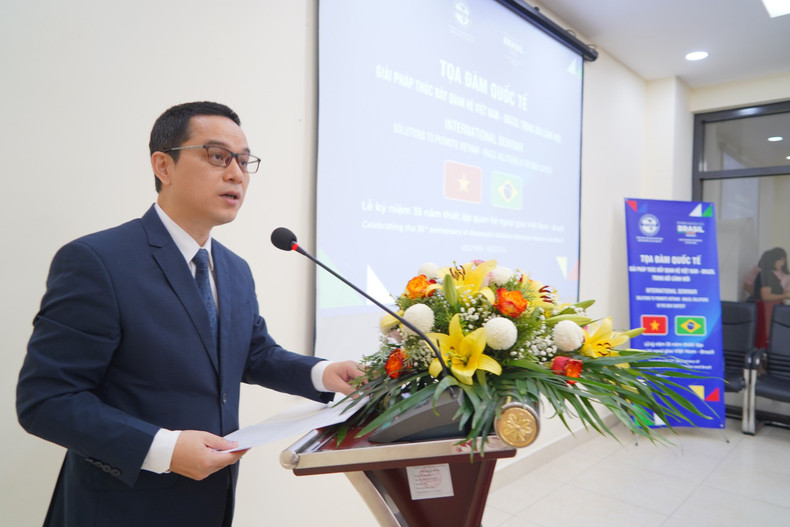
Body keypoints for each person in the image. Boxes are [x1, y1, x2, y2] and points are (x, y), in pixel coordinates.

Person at [16, 101, 363, 526]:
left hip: (211, 505)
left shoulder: (234, 269)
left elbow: (253, 354)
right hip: (120, 509)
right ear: (163, 165)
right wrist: (163, 448)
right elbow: (46, 401)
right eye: (217, 156)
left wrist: (323, 373)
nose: (236, 173)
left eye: (244, 160)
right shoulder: (98, 261)